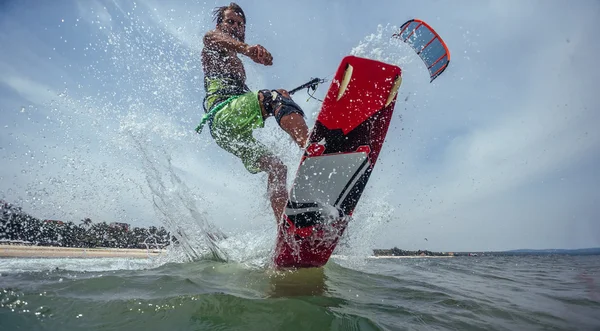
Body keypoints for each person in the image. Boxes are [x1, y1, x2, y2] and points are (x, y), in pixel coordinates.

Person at [198, 2, 309, 221]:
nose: (236, 26)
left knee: (277, 168)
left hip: (228, 134)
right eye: (230, 21)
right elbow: (214, 38)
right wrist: (248, 50)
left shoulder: (237, 63)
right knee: (275, 97)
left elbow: (246, 100)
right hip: (222, 114)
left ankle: (284, 230)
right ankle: (312, 147)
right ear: (220, 24)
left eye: (240, 24)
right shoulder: (212, 40)